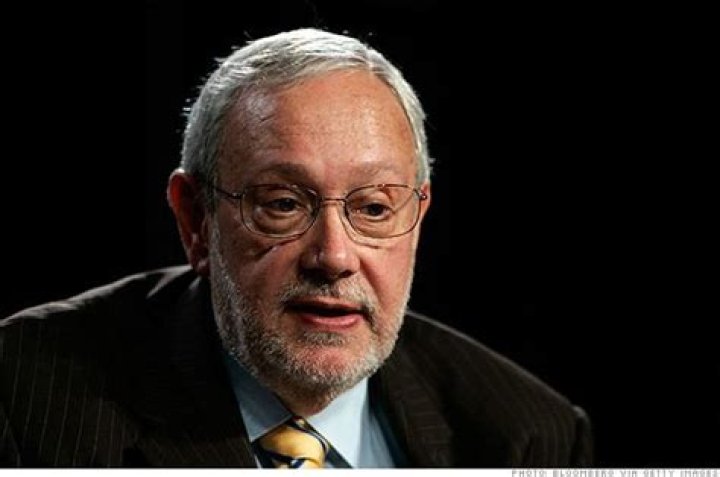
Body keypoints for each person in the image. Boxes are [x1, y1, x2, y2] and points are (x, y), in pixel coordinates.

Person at [0, 28, 592, 467]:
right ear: (195, 219)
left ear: (417, 219)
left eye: (373, 209)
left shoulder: (527, 436)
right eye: (283, 203)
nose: (334, 257)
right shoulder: (23, 396)